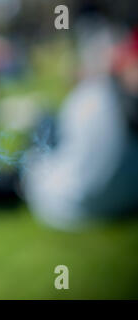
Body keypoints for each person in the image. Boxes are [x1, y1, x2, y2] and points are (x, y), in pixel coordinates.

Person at [21, 28, 138, 230]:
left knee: (44, 127)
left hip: (65, 206)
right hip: (123, 201)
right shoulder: (112, 99)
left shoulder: (89, 96)